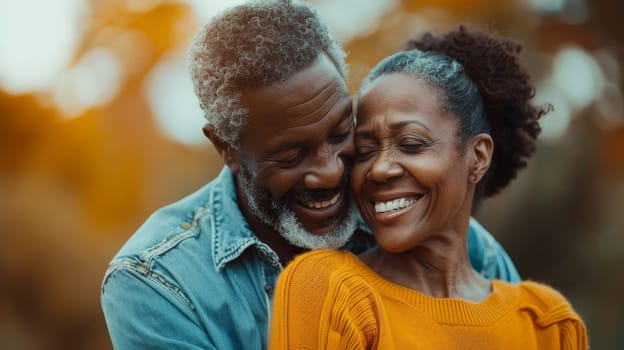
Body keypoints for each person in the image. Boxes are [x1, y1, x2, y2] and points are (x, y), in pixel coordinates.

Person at [100, 1, 520, 348]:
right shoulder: (159, 283)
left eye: (341, 132)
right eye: (291, 154)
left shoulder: (430, 231)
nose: (330, 171)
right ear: (227, 149)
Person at [269, 26, 588, 349]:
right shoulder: (329, 289)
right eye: (365, 151)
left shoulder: (548, 323)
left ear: (477, 157)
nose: (379, 169)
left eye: (410, 143)